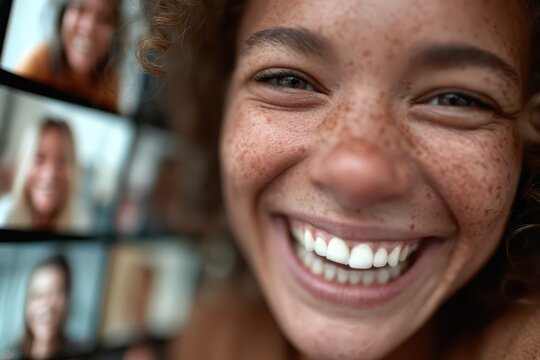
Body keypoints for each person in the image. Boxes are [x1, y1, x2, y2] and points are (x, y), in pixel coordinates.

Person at [140, 0, 540, 359]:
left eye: (456, 100)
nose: (357, 176)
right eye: (288, 80)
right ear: (220, 100)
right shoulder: (211, 334)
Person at [16, 0, 123, 112]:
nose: (89, 27)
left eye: (103, 18)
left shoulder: (110, 86)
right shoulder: (37, 61)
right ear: (62, 14)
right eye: (79, 9)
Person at [0, 118, 89, 232]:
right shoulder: (3, 216)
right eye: (39, 157)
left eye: (62, 160)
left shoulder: (80, 225)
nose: (50, 173)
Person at [2, 254, 79, 360]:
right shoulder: (10, 356)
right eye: (37, 295)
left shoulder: (80, 353)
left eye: (55, 294)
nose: (45, 306)